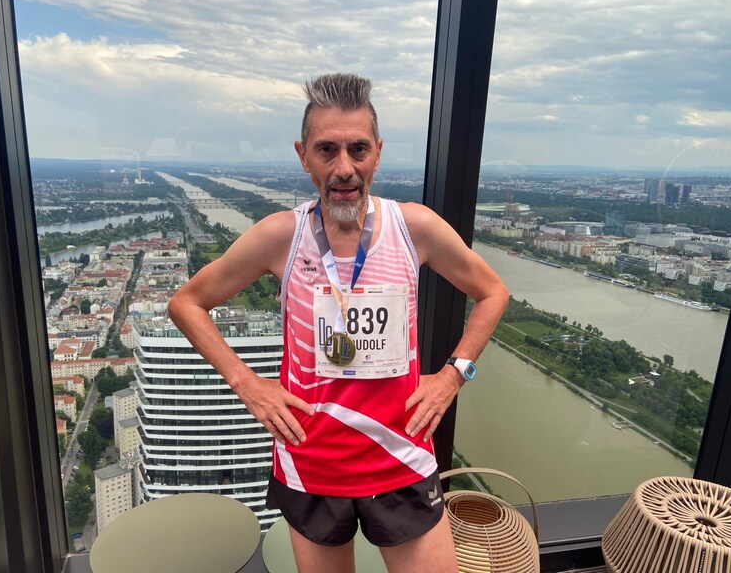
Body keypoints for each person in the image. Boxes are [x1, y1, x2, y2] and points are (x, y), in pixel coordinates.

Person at [167, 72, 509, 573]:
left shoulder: (413, 227)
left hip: (402, 456)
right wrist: (247, 384)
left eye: (358, 149)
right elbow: (187, 303)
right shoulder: (281, 236)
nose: (344, 168)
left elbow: (492, 292)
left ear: (378, 153)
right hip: (311, 461)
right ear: (303, 156)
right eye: (327, 150)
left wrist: (454, 374)